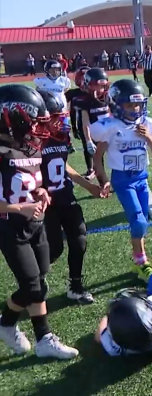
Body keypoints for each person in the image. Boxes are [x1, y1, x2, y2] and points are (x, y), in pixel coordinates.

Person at [0, 84, 79, 359]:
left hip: (36, 223)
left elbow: (30, 181)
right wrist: (20, 207)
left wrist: (41, 192)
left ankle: (8, 323)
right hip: (11, 227)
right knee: (32, 286)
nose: (38, 129)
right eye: (34, 122)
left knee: (39, 283)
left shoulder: (28, 147)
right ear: (13, 117)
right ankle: (40, 337)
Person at [38, 90, 106, 305]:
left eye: (62, 116)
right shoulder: (32, 141)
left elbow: (63, 165)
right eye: (56, 118)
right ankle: (34, 278)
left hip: (65, 195)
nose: (61, 122)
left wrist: (88, 186)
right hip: (46, 202)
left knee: (79, 240)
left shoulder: (61, 135)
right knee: (55, 247)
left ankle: (75, 286)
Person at [90, 79, 152, 275]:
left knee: (143, 220)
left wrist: (148, 137)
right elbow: (97, 158)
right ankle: (140, 261)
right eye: (129, 105)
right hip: (123, 180)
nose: (135, 109)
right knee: (138, 221)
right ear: (116, 105)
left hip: (141, 177)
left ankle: (140, 257)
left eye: (137, 104)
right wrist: (104, 180)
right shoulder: (111, 126)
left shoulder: (146, 125)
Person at [73, 67, 111, 180]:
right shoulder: (84, 101)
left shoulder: (108, 97)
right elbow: (85, 124)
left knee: (116, 157)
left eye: (103, 86)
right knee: (98, 160)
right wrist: (89, 140)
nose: (101, 89)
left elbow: (112, 115)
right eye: (98, 85)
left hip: (110, 133)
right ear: (89, 85)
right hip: (96, 135)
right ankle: (103, 183)